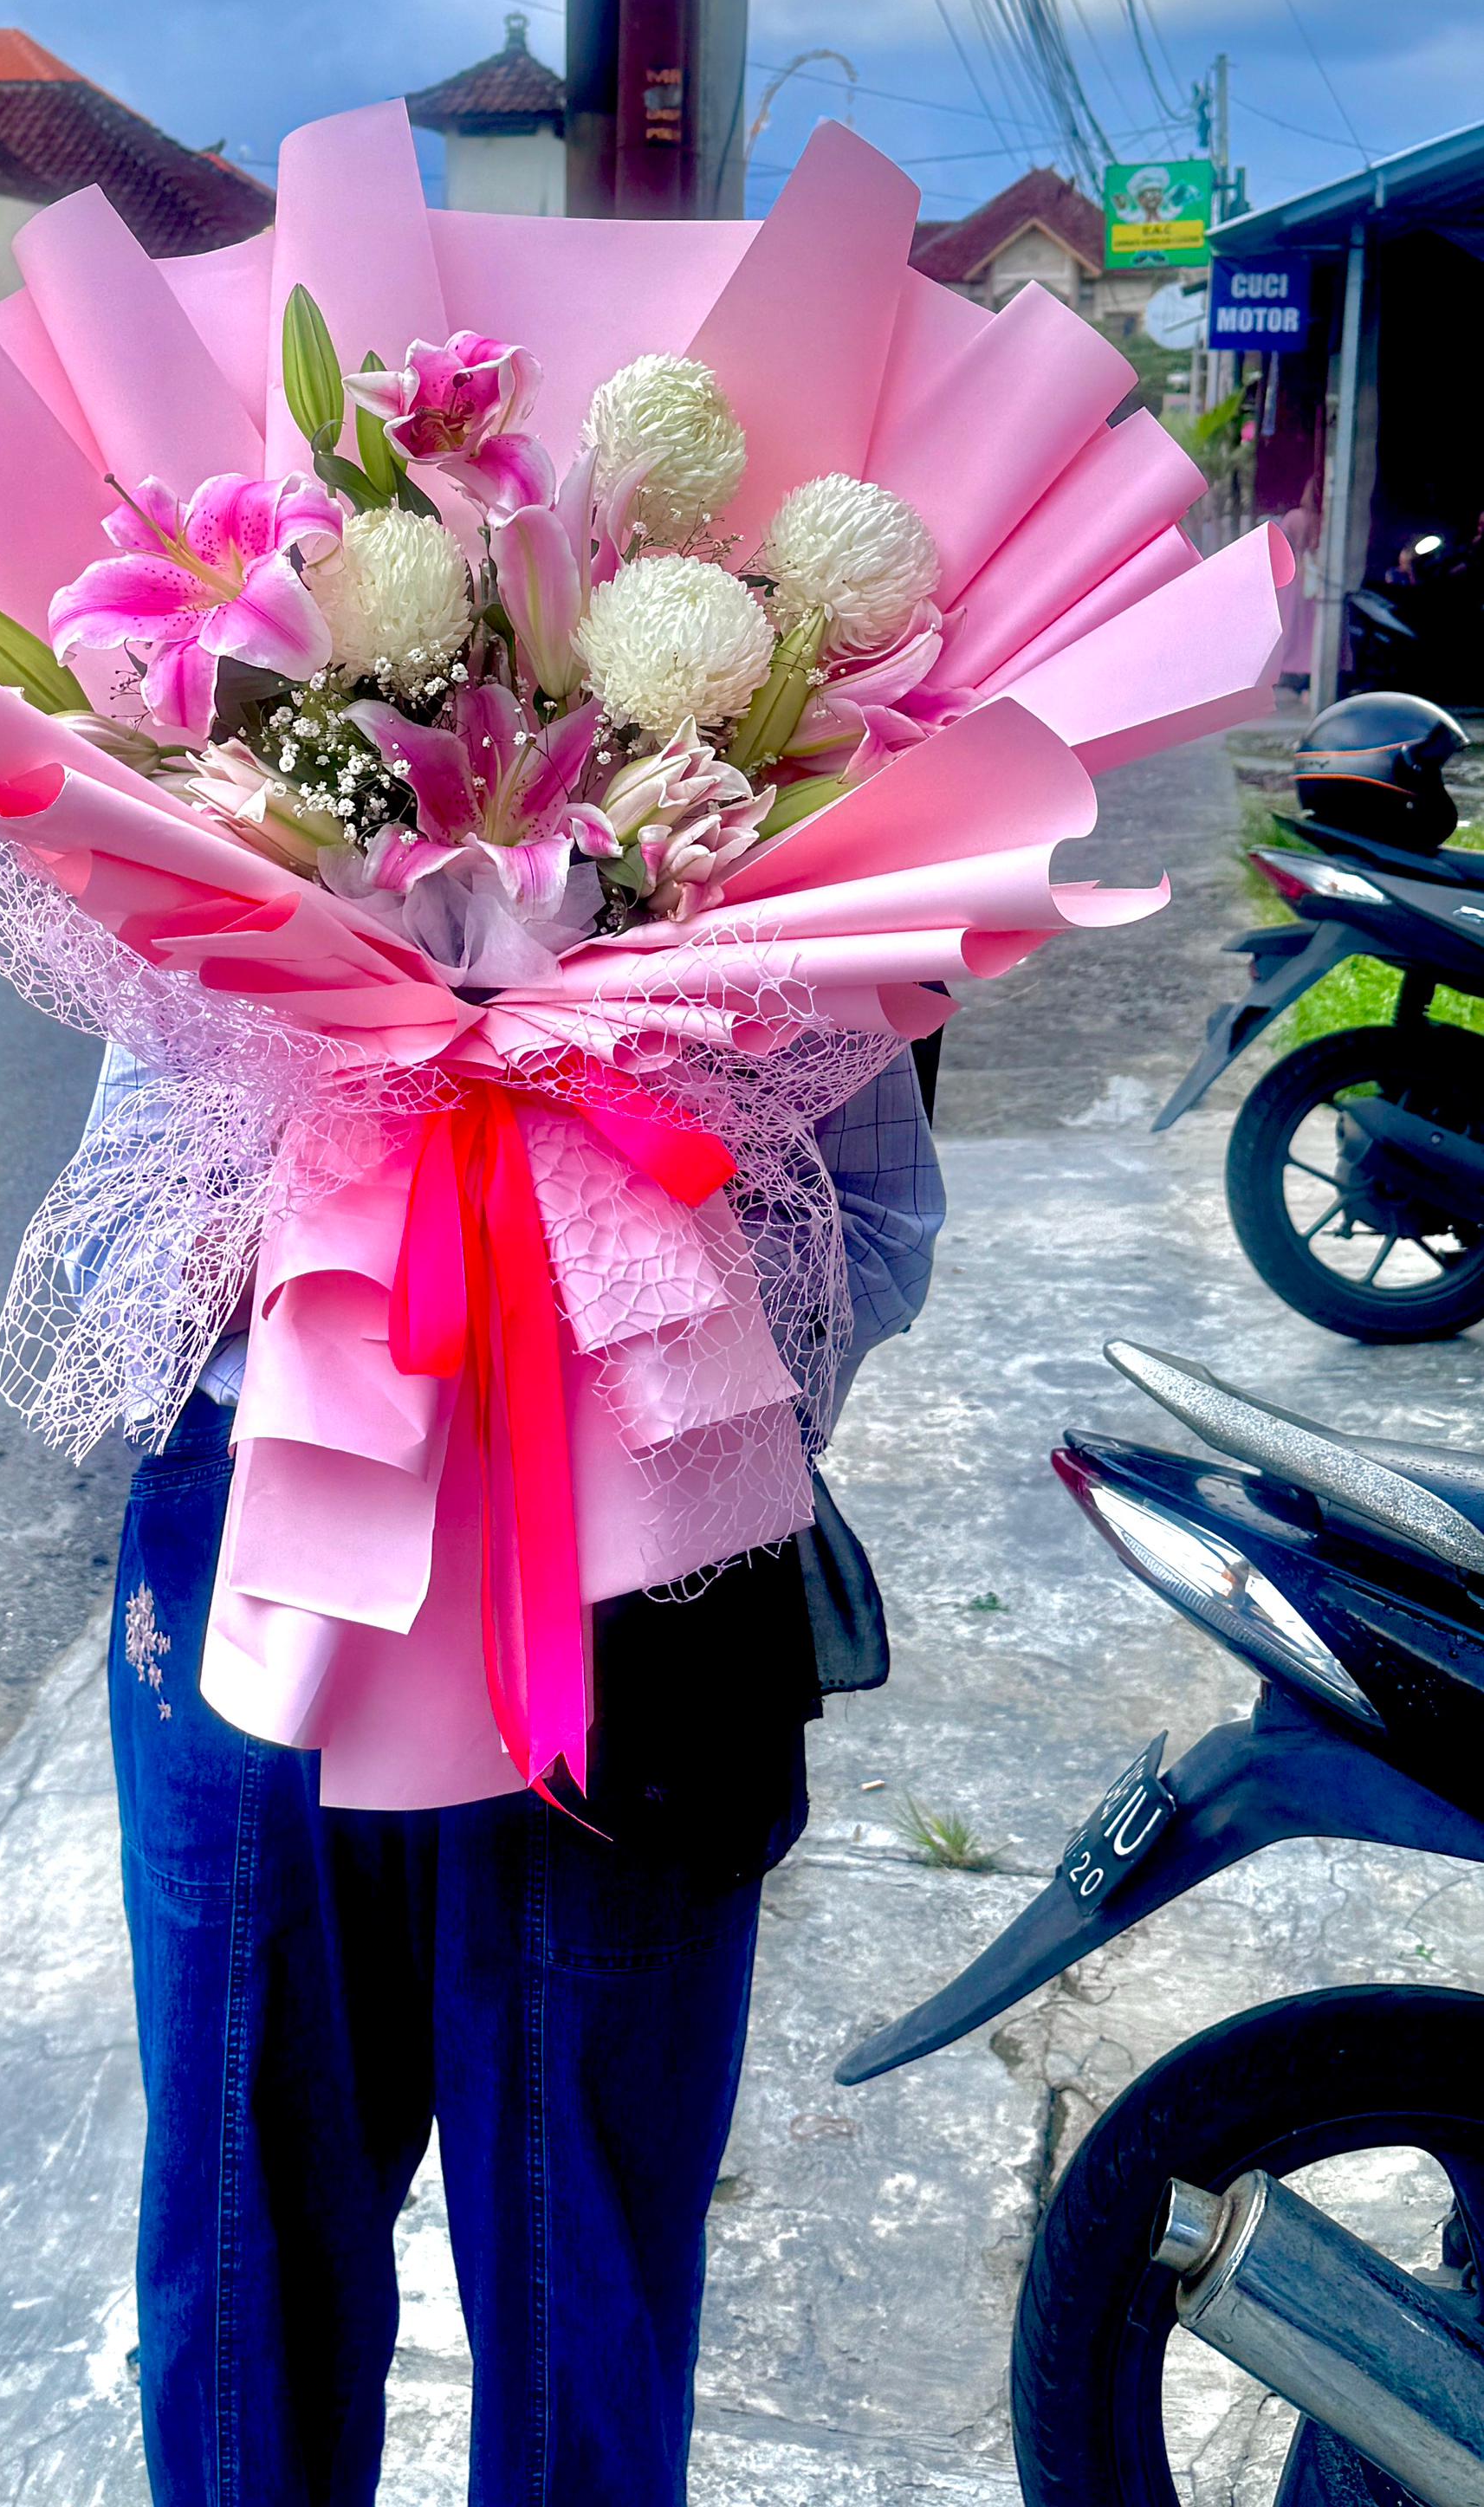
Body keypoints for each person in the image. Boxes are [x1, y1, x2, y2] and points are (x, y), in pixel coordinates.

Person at [84, 1038, 944, 2507]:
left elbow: (871, 1226)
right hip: (262, 1589)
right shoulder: (222, 847)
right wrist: (335, 1216)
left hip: (636, 1626)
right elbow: (113, 1242)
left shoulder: (774, 855)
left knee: (590, 2292)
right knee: (244, 2262)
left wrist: (601, 1271)